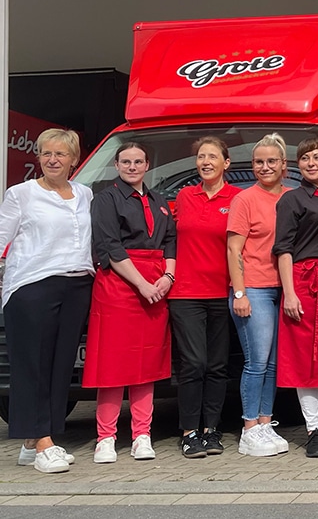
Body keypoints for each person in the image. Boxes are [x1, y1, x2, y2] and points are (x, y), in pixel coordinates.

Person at [1, 128, 94, 474]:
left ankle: (37, 441)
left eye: (60, 154)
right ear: (38, 157)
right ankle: (42, 442)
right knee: (32, 367)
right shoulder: (20, 194)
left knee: (59, 368)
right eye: (46, 153)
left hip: (77, 285)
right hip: (32, 286)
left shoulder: (84, 194)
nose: (53, 160)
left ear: (73, 159)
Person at [86, 142, 176, 464]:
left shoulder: (159, 201)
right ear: (117, 164)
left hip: (155, 285)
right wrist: (142, 284)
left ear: (147, 164)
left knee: (146, 364)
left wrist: (167, 279)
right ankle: (106, 438)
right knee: (111, 366)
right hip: (119, 285)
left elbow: (170, 242)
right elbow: (109, 245)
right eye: (126, 162)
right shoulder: (106, 199)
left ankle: (142, 435)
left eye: (138, 161)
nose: (132, 167)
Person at [169, 136, 239, 458]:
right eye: (201, 156)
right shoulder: (184, 196)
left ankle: (212, 430)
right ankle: (189, 432)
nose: (206, 161)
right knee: (193, 363)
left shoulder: (237, 198)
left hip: (222, 291)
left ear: (226, 163)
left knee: (217, 365)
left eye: (213, 156)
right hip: (185, 293)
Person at [274, 138, 318, 458]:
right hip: (303, 280)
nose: (311, 163)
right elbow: (284, 249)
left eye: (317, 157)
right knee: (305, 357)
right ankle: (313, 428)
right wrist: (289, 292)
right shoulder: (291, 200)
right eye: (304, 158)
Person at [227, 133, 291, 457]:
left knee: (275, 364)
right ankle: (249, 428)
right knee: (257, 363)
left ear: (283, 165)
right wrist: (240, 293)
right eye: (258, 162)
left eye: (271, 161)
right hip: (254, 288)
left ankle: (266, 423)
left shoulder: (291, 198)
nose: (264, 167)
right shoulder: (245, 199)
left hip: (284, 291)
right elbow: (233, 248)